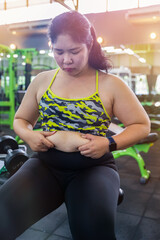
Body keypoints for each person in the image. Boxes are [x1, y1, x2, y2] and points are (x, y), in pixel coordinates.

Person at [0, 11, 150, 240]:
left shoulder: (111, 84)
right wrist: (28, 136)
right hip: (46, 165)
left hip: (94, 169)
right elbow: (21, 120)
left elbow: (141, 125)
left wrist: (110, 142)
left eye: (74, 51)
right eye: (58, 52)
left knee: (95, 231)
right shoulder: (43, 80)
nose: (66, 60)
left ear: (89, 45)